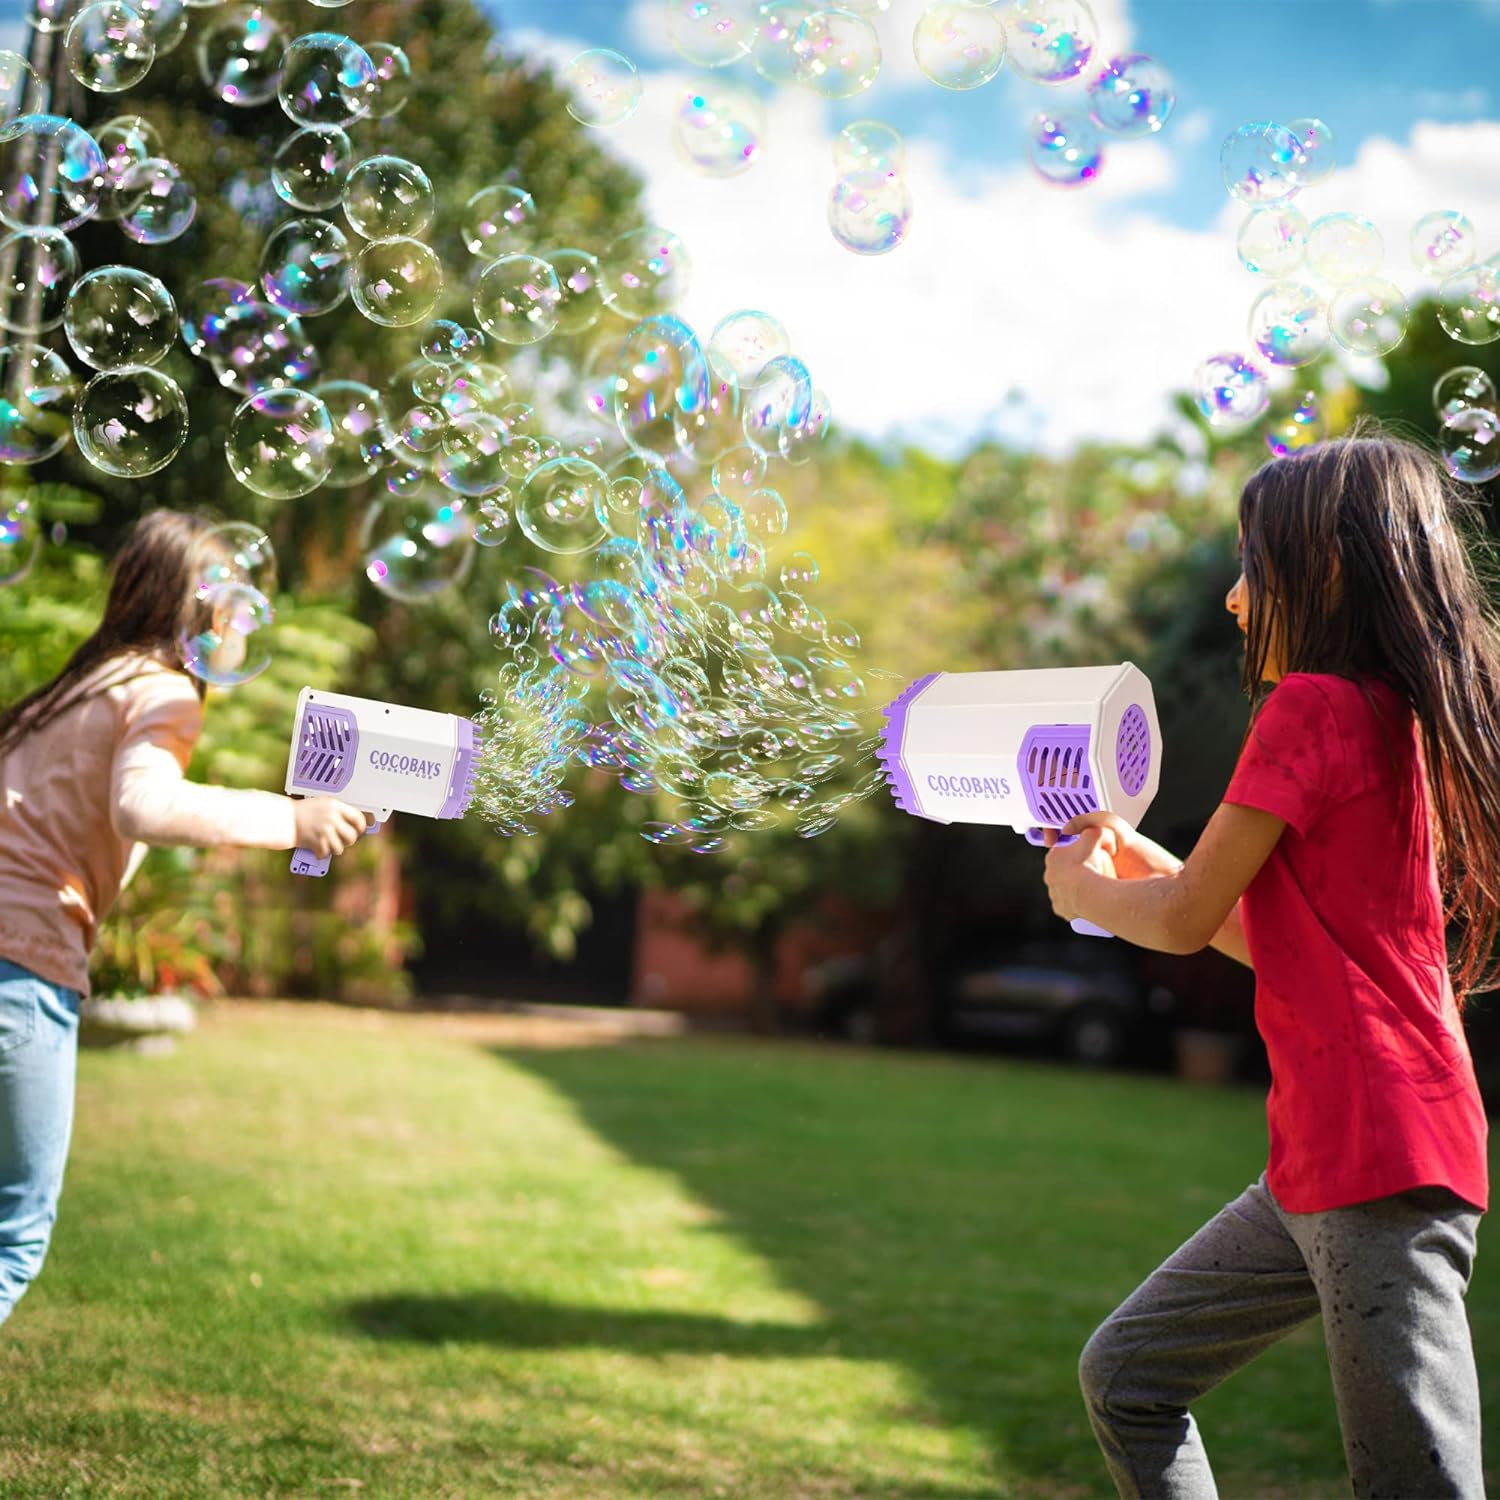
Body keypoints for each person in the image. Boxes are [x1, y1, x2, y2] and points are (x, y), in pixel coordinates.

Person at [1041, 434, 1498, 1499]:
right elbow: (1264, 931)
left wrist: (1088, 895)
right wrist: (1134, 860)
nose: (1239, 600)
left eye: (1255, 566)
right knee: (1130, 1373)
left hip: (1375, 1153)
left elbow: (1187, 916)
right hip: (1328, 1157)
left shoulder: (1310, 706)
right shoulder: (1384, 719)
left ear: (1325, 571)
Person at [0, 509, 370, 1328]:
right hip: (21, 969)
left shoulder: (75, 688)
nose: (245, 619)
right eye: (235, 601)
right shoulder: (165, 690)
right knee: (13, 1238)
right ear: (192, 611)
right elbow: (143, 806)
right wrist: (294, 823)